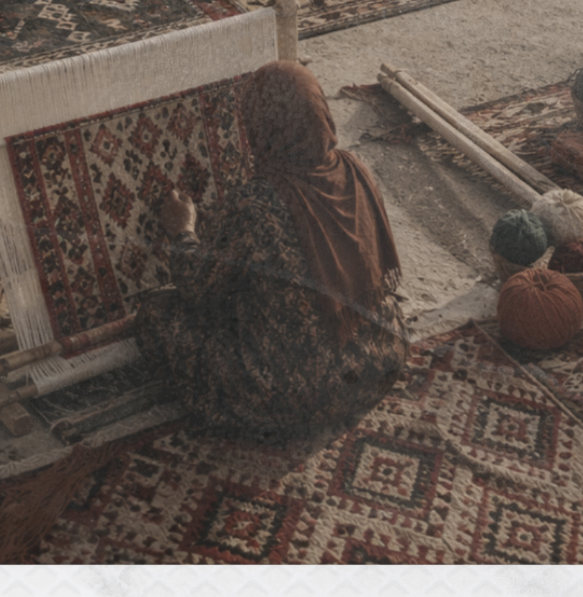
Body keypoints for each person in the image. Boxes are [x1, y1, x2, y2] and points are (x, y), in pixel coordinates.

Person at [136, 61, 407, 440]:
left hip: (295, 397)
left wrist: (183, 230)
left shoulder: (256, 204)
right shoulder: (357, 170)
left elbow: (196, 288)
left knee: (156, 314)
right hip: (378, 367)